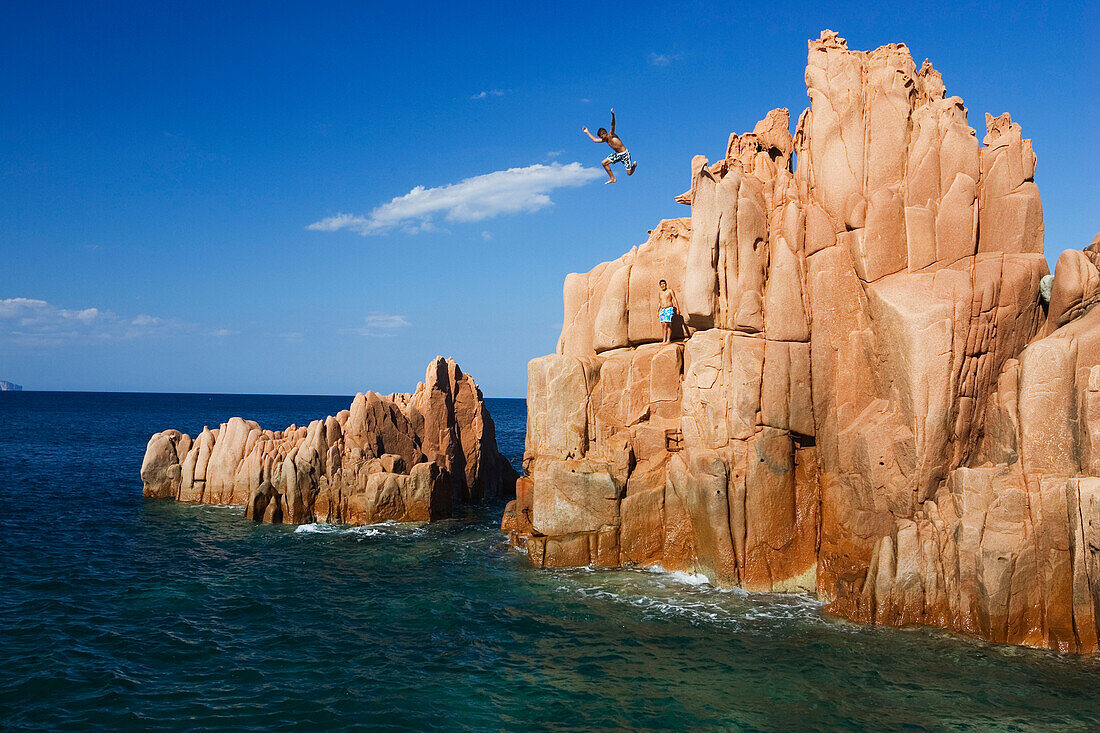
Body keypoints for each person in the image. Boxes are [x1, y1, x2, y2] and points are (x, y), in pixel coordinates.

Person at [582, 108, 637, 184]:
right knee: (604, 163)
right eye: (600, 137)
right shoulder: (605, 140)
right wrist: (587, 132)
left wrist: (613, 115)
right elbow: (594, 140)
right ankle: (612, 178)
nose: (601, 138)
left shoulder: (611, 135)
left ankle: (633, 166)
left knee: (629, 173)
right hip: (618, 155)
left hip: (625, 154)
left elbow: (613, 124)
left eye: (601, 136)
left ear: (605, 133)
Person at [657, 279, 680, 344]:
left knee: (668, 324)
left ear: (666, 284)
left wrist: (678, 308)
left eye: (664, 284)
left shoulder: (670, 291)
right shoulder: (660, 293)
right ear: (660, 285)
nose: (663, 285)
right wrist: (658, 310)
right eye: (661, 284)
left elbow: (674, 299)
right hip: (662, 309)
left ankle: (668, 340)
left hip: (669, 309)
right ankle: (664, 339)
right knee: (663, 325)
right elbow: (659, 302)